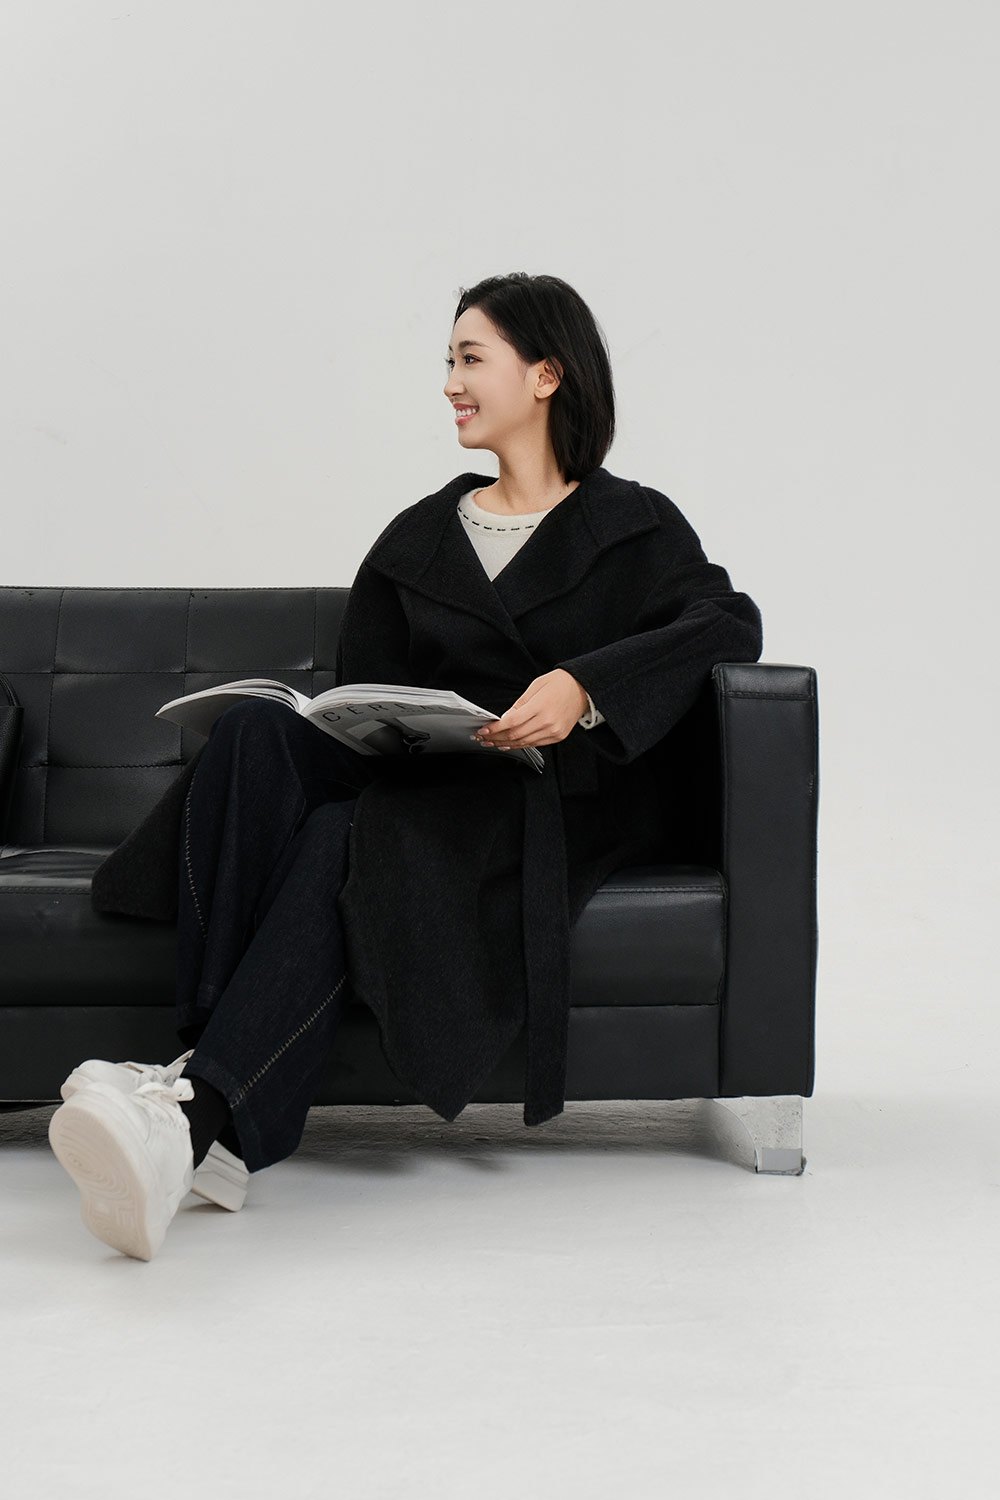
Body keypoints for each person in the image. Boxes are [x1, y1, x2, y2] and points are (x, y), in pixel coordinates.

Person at [48, 272, 763, 1260]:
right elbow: (364, 688)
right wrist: (374, 727)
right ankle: (200, 1086)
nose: (451, 383)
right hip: (429, 780)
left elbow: (728, 622)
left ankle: (195, 1117)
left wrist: (582, 686)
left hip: (545, 801)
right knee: (256, 737)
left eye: (472, 359)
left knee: (350, 835)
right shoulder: (419, 536)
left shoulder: (635, 525)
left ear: (546, 374)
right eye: (449, 361)